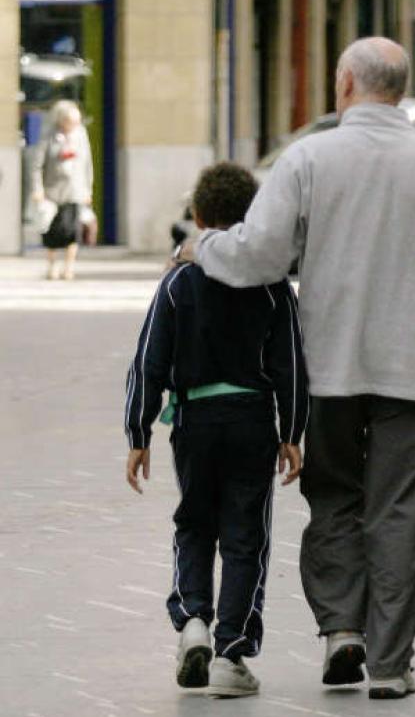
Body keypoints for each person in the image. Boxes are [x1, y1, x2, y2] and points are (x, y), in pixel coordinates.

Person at [180, 37, 415, 699]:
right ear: (401, 89)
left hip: (325, 368)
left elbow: (261, 255)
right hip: (411, 370)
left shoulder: (308, 158)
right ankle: (389, 661)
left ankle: (342, 632)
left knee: (332, 500)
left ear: (347, 84)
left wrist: (202, 244)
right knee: (400, 507)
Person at [123, 162, 309, 698]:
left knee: (195, 522)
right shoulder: (271, 286)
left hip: (193, 422)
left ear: (199, 217)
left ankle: (193, 623)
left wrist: (138, 433)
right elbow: (290, 363)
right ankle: (232, 652)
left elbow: (148, 360)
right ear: (252, 217)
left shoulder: (179, 282)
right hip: (252, 420)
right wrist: (292, 431)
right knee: (247, 535)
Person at [32, 100, 97, 280]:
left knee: (72, 231)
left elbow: (87, 164)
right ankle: (52, 266)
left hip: (75, 190)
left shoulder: (81, 135)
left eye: (76, 121)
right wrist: (38, 189)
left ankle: (69, 267)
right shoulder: (49, 135)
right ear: (61, 120)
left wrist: (88, 190)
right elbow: (37, 165)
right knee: (52, 232)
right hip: (52, 191)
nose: (74, 125)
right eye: (71, 121)